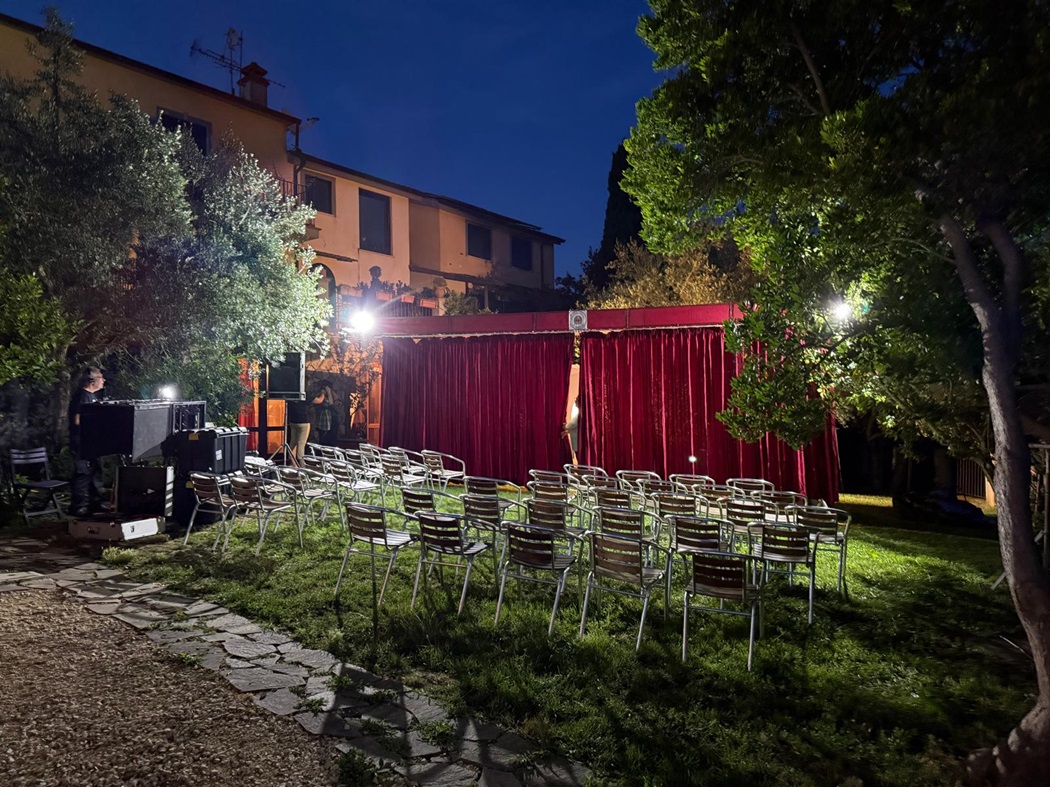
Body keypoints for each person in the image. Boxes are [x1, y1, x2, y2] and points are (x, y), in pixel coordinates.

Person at [68, 367, 108, 517]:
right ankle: (79, 506)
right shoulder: (82, 397)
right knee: (83, 473)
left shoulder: (93, 397)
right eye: (101, 377)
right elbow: (77, 420)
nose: (103, 380)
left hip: (92, 441)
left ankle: (95, 502)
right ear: (92, 380)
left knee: (96, 471)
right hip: (81, 441)